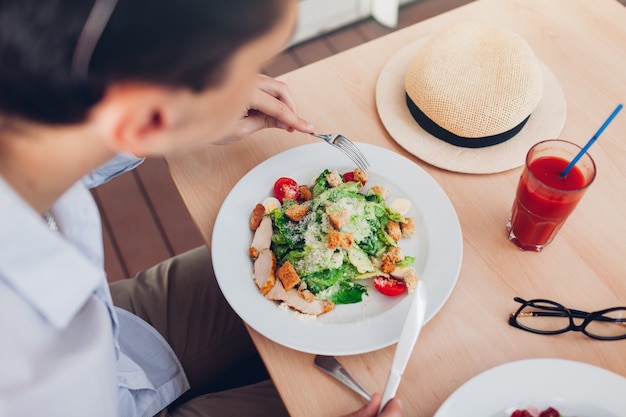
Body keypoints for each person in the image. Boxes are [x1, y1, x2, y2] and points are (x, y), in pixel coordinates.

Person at [0, 0, 404, 416]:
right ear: (149, 118)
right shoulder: (19, 362)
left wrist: (193, 109)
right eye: (240, 72)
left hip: (121, 334)